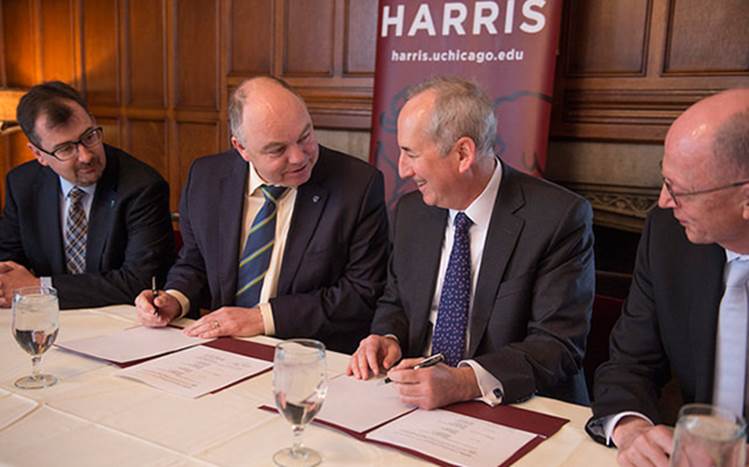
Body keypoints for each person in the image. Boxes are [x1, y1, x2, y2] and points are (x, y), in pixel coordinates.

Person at [347, 77, 595, 409]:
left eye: (411, 153)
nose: (402, 170)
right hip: (415, 400)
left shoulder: (558, 218)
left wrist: (464, 382)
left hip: (513, 404)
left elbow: (557, 345)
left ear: (463, 153)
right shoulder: (412, 212)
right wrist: (387, 337)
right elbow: (396, 302)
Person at [134, 76, 389, 354]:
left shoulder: (358, 185)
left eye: (305, 136)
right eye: (277, 149)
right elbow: (195, 262)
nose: (299, 157)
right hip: (219, 349)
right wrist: (173, 299)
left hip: (306, 352)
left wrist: (260, 318)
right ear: (241, 148)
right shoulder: (206, 177)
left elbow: (361, 292)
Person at [586, 88, 749, 466]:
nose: (663, 200)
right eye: (665, 180)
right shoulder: (669, 237)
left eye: (679, 190)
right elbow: (628, 364)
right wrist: (631, 428)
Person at [0, 81, 174, 309]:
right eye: (65, 149)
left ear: (92, 121)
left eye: (89, 136)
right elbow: (8, 262)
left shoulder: (142, 187)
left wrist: (41, 287)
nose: (85, 156)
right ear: (38, 154)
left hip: (122, 324)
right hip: (49, 320)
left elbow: (138, 282)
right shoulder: (22, 183)